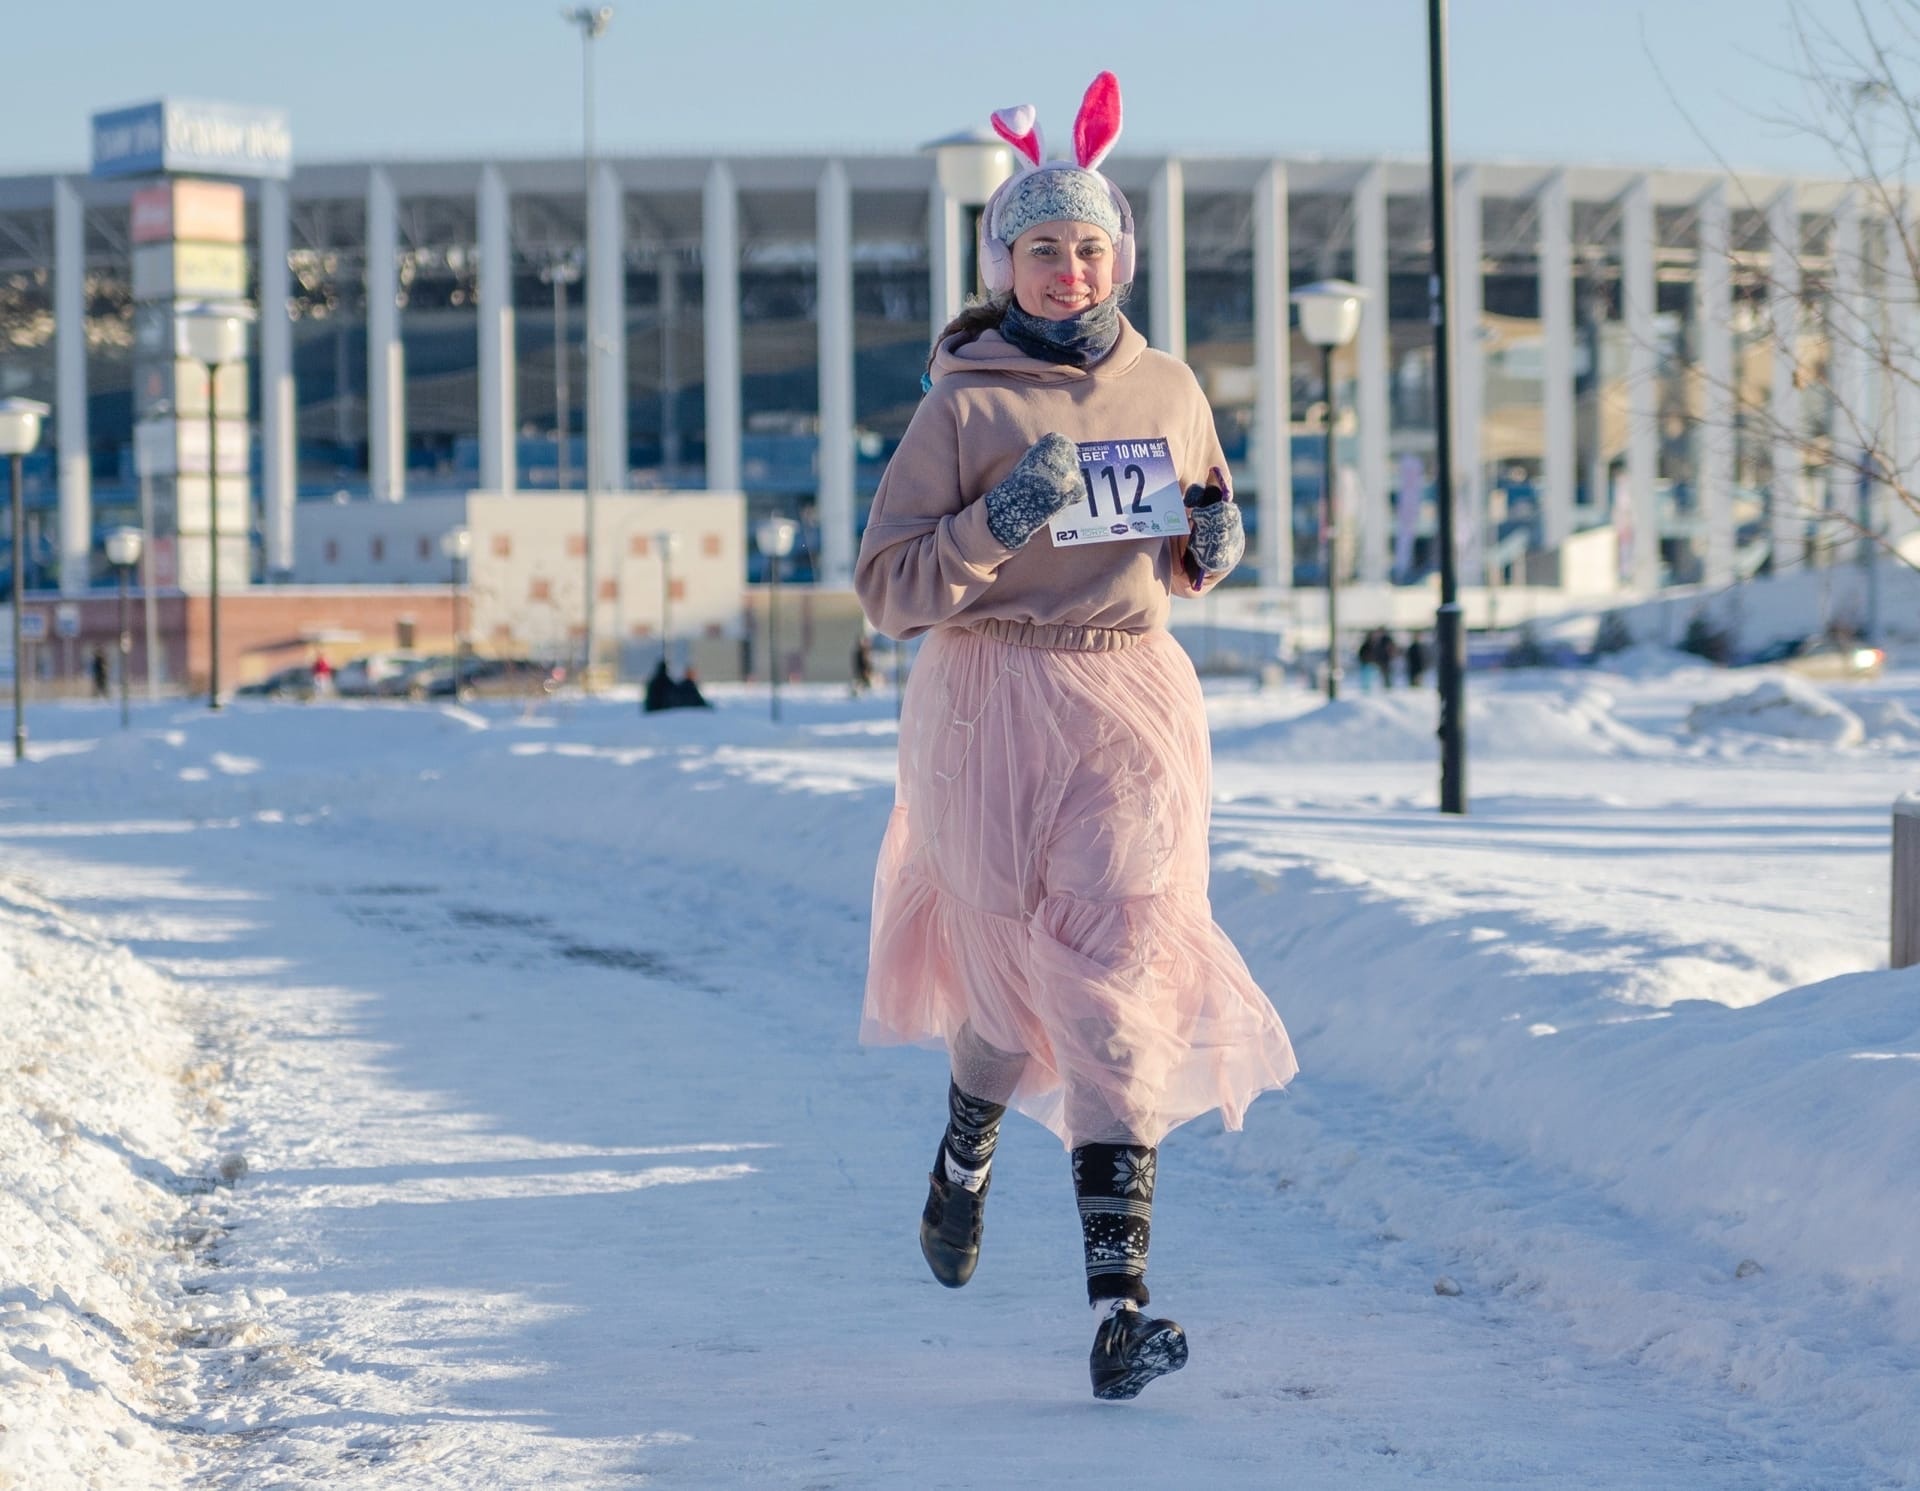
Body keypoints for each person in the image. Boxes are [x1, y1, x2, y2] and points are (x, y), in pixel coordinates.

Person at [853, 73, 1296, 1403]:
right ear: (1001, 265)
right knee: (1006, 985)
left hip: (1131, 698)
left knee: (1116, 979)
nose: (1067, 267)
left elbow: (1196, 527)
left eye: (1090, 246)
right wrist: (994, 525)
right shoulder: (962, 408)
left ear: (1123, 258)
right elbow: (886, 587)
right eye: (1040, 248)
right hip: (990, 704)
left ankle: (1120, 1313)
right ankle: (965, 1149)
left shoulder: (1166, 385)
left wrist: (1216, 544)